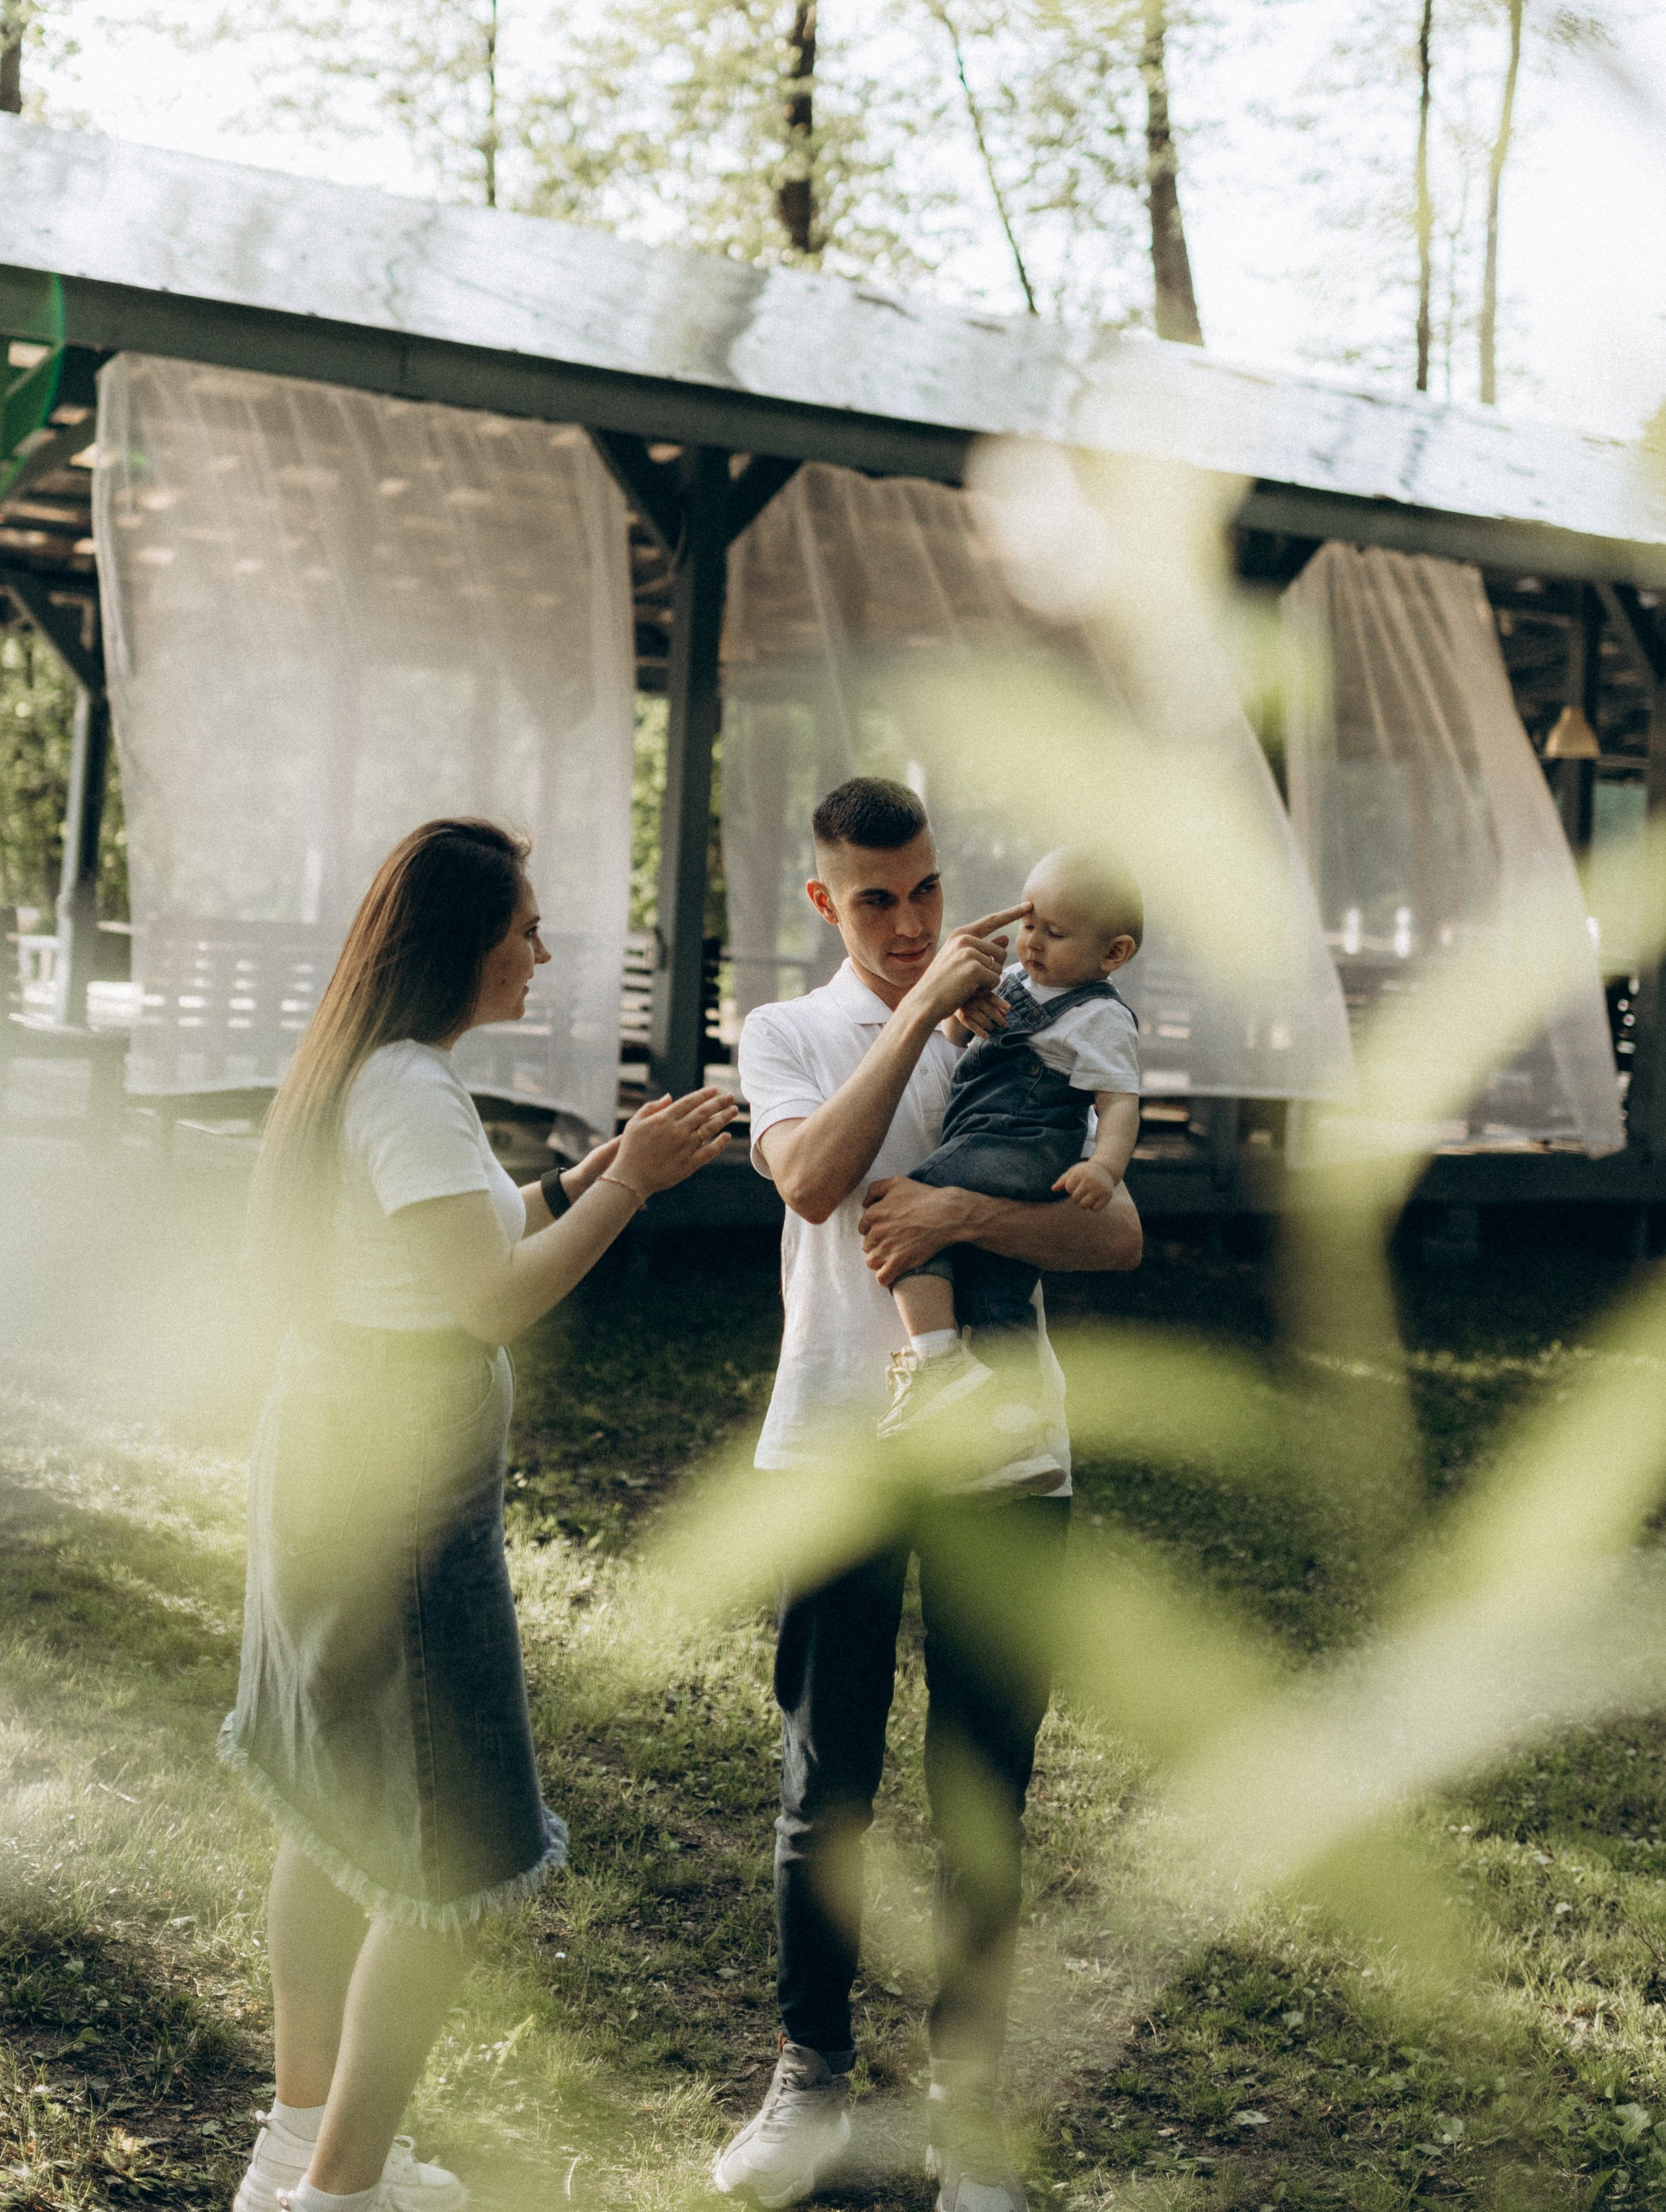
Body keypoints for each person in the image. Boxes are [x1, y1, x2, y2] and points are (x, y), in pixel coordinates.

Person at [224, 816, 739, 2212]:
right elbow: (494, 1298)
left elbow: (459, 1241)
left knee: (334, 1803)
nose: (544, 949)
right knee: (459, 1856)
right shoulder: (409, 1090)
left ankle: (295, 2144)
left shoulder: (373, 1076)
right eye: (527, 928)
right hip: (396, 1486)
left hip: (330, 1450)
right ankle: (340, 2192)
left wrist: (586, 1172)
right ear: (466, 943)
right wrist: (634, 1182)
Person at [716, 779, 1143, 2212]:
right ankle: (808, 2076)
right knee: (821, 1783)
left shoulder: (1034, 1013)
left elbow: (1119, 1237)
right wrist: (911, 1023)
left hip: (1007, 1458)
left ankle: (972, 2121)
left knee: (984, 1796)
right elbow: (816, 1184)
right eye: (877, 900)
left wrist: (962, 1211)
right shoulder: (787, 1033)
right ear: (828, 903)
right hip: (836, 1449)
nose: (911, 925)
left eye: (927, 892)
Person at [877, 847, 1143, 1451]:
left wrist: (1104, 1166)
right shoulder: (1018, 981)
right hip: (983, 1135)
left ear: (1113, 953)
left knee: (896, 1209)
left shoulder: (1100, 1016)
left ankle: (937, 1361)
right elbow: (954, 1041)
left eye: (1054, 933)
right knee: (996, 1293)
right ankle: (1018, 1426)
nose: (1031, 944)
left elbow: (1119, 1103)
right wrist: (962, 1014)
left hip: (1024, 1143)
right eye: (1028, 925)